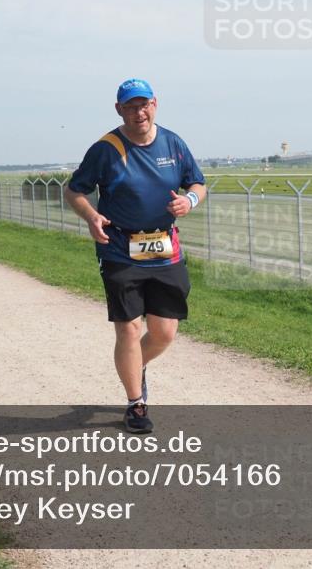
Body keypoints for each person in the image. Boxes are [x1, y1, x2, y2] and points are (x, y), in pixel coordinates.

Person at [64, 79, 206, 434]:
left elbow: (198, 183)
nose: (138, 112)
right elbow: (74, 190)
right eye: (130, 106)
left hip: (165, 250)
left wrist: (188, 201)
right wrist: (92, 216)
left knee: (165, 332)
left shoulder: (174, 143)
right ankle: (135, 403)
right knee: (129, 328)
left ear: (155, 104)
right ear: (119, 110)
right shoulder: (106, 149)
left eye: (144, 105)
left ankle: (133, 365)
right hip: (119, 250)